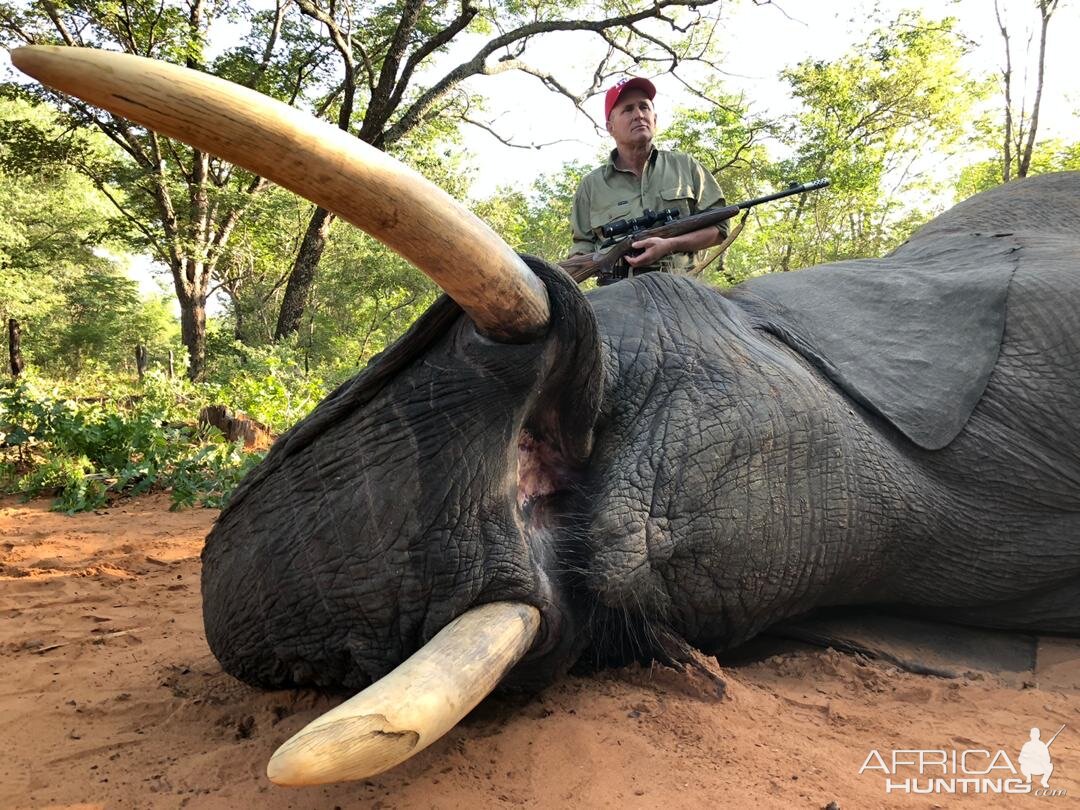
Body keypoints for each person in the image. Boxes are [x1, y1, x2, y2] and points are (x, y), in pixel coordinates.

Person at [569, 77, 727, 280]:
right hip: (618, 295)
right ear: (610, 127)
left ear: (655, 119)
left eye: (644, 107)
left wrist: (670, 244)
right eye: (627, 109)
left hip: (684, 289)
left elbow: (719, 228)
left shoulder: (686, 166)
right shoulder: (591, 186)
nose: (638, 115)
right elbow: (581, 248)